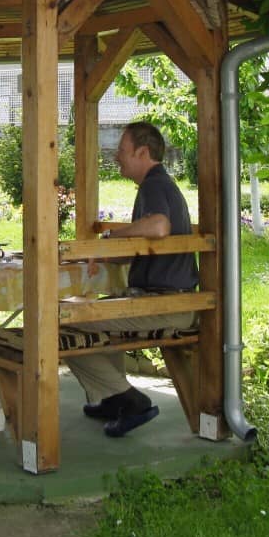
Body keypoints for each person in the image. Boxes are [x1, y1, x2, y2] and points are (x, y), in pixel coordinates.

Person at [66, 122, 199, 437]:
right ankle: (112, 400)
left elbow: (158, 228)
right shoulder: (159, 185)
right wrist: (109, 252)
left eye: (122, 150)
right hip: (171, 298)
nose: (116, 157)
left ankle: (128, 400)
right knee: (103, 311)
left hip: (166, 304)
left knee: (66, 325)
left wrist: (111, 236)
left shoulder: (154, 185)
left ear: (143, 152)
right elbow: (150, 243)